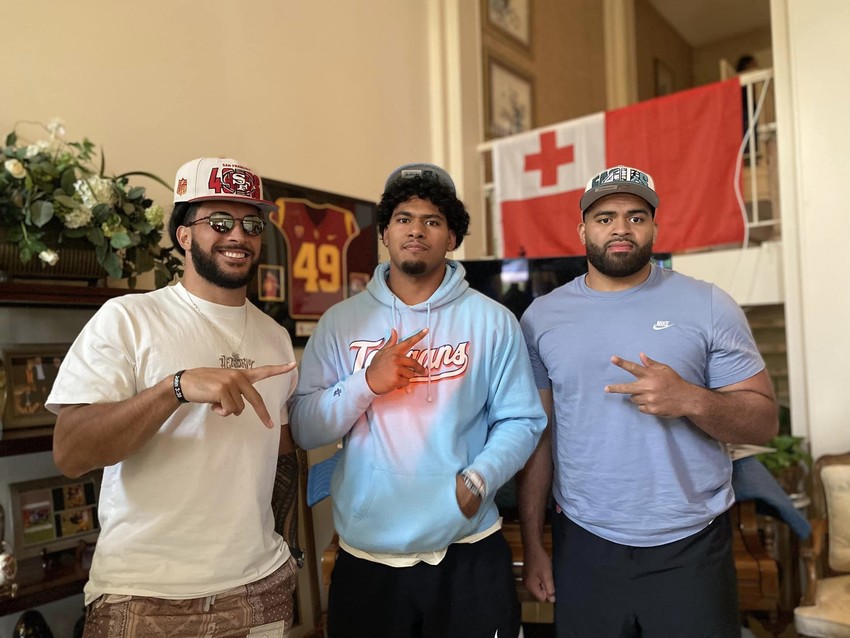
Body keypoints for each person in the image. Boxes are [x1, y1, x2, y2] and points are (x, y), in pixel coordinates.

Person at [517, 165, 778, 637]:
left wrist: (692, 400)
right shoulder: (541, 317)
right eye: (605, 217)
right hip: (584, 541)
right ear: (582, 230)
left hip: (691, 543)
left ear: (655, 227)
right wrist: (535, 544)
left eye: (636, 216)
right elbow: (539, 436)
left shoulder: (709, 305)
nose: (620, 228)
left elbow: (763, 422)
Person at [47, 157, 301, 637]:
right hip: (144, 595)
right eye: (219, 222)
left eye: (251, 224)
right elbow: (71, 452)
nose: (238, 235)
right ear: (184, 236)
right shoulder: (127, 318)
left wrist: (289, 550)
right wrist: (175, 388)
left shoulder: (274, 337)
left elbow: (279, 451)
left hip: (257, 588)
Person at [290, 162, 547, 638]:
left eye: (433, 221)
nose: (416, 231)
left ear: (451, 237)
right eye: (404, 218)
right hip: (368, 553)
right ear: (385, 232)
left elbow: (523, 420)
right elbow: (305, 427)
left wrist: (478, 479)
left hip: (467, 547)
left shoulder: (493, 321)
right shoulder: (340, 323)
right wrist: (367, 382)